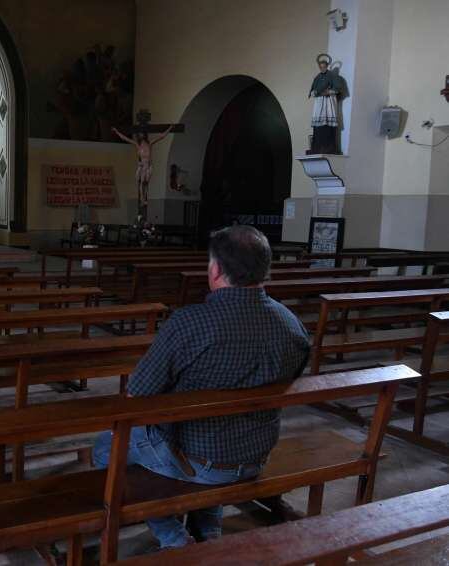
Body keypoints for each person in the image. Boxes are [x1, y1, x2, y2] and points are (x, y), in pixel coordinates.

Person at [92, 225, 311, 550]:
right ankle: (209, 534)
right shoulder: (293, 326)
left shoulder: (190, 323)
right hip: (255, 454)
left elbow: (136, 397)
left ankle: (174, 537)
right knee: (215, 438)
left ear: (216, 269)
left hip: (197, 459)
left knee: (105, 447)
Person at [308, 53, 344, 154]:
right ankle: (317, 147)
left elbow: (337, 89)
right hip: (319, 103)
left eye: (324, 66)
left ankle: (328, 147)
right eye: (321, 67)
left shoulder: (332, 76)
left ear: (327, 66)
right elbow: (313, 90)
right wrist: (315, 92)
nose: (322, 68)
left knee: (328, 123)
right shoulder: (317, 77)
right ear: (319, 67)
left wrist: (328, 92)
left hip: (329, 102)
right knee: (318, 126)